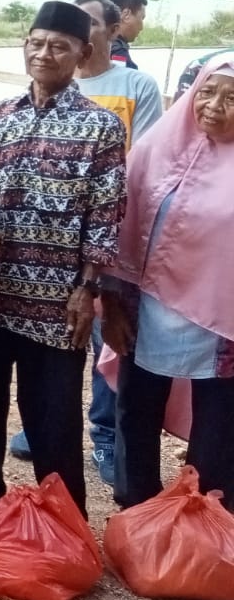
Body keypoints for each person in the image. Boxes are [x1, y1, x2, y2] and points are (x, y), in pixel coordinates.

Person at [0, 1, 126, 520]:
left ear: (82, 52)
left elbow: (106, 213)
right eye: (36, 42)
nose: (45, 53)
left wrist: (89, 288)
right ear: (25, 47)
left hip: (57, 303)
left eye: (58, 45)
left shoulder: (101, 127)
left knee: (53, 415)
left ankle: (63, 517)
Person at [103, 53, 234, 510]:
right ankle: (135, 507)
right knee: (136, 410)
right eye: (207, 92)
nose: (214, 105)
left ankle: (209, 513)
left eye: (231, 97)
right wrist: (113, 302)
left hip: (221, 321)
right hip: (146, 307)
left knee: (218, 421)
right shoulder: (157, 146)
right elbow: (121, 222)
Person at [74, 0, 163, 149]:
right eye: (71, 22)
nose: (76, 30)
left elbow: (142, 156)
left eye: (90, 23)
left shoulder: (139, 86)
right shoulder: (51, 85)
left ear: (114, 31)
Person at [104, 0, 147, 69]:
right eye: (141, 18)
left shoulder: (92, 44)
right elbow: (120, 79)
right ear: (126, 15)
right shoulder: (117, 53)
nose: (141, 27)